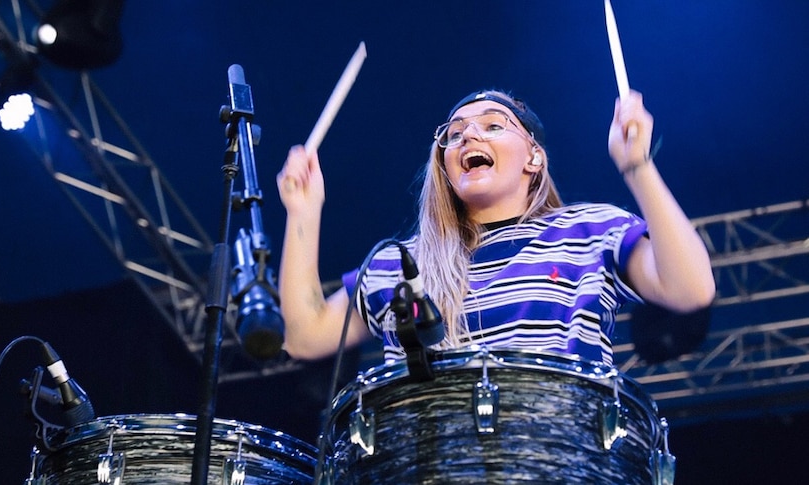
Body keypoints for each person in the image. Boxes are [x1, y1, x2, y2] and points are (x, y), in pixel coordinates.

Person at [275, 89, 715, 366]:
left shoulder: (591, 231)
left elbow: (690, 289)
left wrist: (637, 166)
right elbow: (304, 337)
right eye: (455, 132)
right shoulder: (399, 263)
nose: (468, 136)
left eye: (492, 126)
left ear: (533, 157)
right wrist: (303, 212)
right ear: (445, 167)